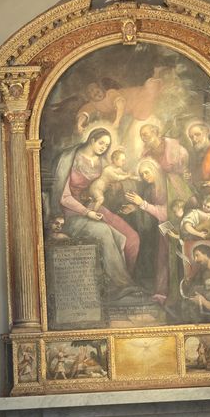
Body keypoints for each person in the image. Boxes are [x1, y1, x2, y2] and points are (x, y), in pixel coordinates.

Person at [53, 128, 140, 297]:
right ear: (92, 140)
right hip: (72, 214)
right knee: (104, 232)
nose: (103, 147)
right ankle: (120, 285)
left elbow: (105, 184)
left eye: (106, 145)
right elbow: (64, 197)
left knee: (131, 237)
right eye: (101, 143)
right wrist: (87, 212)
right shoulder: (69, 159)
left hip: (94, 206)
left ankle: (123, 281)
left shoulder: (100, 161)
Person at [124, 158, 169, 303]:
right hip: (157, 227)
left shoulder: (168, 185)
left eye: (147, 172)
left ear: (155, 170)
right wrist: (135, 208)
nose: (144, 176)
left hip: (170, 226)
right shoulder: (150, 189)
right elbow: (150, 209)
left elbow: (165, 213)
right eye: (142, 174)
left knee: (163, 256)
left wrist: (142, 204)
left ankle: (163, 291)